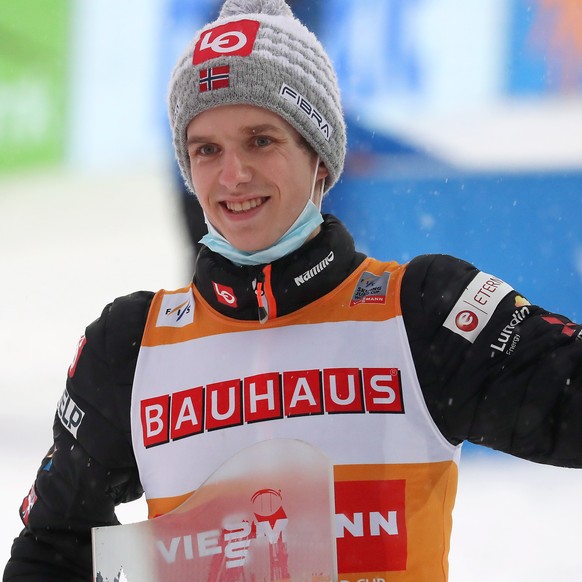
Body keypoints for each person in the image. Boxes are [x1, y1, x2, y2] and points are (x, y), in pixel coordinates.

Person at [4, 0, 582, 580]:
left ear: (320, 158)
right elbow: (50, 550)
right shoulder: (130, 346)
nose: (233, 177)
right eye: (207, 149)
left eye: (260, 141)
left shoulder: (420, 312)